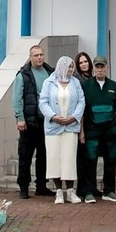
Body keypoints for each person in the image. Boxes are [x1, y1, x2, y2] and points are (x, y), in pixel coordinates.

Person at [39, 56, 85, 204]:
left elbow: (81, 101)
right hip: (54, 127)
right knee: (54, 158)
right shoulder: (49, 82)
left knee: (69, 158)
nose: (71, 70)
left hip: (70, 126)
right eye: (68, 67)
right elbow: (43, 102)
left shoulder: (75, 82)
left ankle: (70, 192)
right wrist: (53, 117)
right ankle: (59, 192)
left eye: (72, 67)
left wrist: (74, 117)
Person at [79, 55, 116, 202]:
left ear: (106, 67)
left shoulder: (114, 86)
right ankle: (89, 192)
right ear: (94, 68)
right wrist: (82, 132)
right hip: (92, 130)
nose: (100, 69)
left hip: (110, 131)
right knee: (90, 160)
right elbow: (81, 109)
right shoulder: (86, 86)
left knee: (110, 160)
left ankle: (109, 191)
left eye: (102, 66)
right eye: (97, 67)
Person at [11, 43, 52, 198]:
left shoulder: (50, 72)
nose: (39, 57)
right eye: (36, 55)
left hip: (47, 122)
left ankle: (42, 185)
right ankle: (23, 187)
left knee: (44, 155)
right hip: (29, 122)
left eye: (41, 54)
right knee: (25, 156)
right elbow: (16, 99)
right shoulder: (23, 75)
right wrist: (20, 118)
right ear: (30, 57)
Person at [73, 51, 96, 200]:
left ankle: (91, 186)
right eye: (80, 63)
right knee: (81, 158)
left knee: (90, 157)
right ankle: (82, 188)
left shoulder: (93, 79)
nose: (84, 64)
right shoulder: (77, 80)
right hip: (81, 122)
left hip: (92, 122)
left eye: (85, 61)